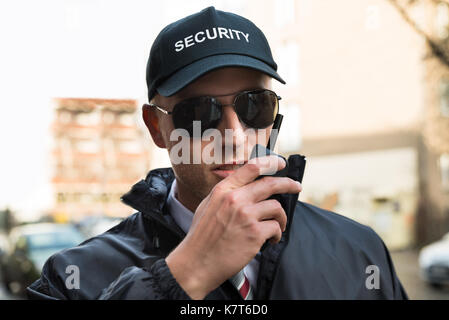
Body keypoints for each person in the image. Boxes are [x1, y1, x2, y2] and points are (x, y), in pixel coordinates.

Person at [27, 6, 408, 300]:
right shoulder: (72, 275)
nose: (234, 134)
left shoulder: (359, 250)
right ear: (156, 127)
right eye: (199, 112)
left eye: (254, 105)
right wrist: (180, 276)